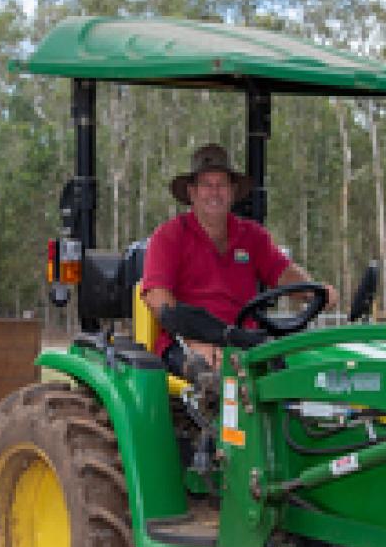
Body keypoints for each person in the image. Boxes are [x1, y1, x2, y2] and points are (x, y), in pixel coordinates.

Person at [141, 144, 337, 375]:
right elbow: (158, 298)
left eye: (221, 184)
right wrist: (194, 341)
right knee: (212, 373)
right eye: (206, 185)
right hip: (187, 342)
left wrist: (313, 291)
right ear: (192, 192)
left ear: (232, 191)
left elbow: (282, 272)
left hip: (244, 340)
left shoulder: (252, 236)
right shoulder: (169, 236)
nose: (215, 192)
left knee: (304, 367)